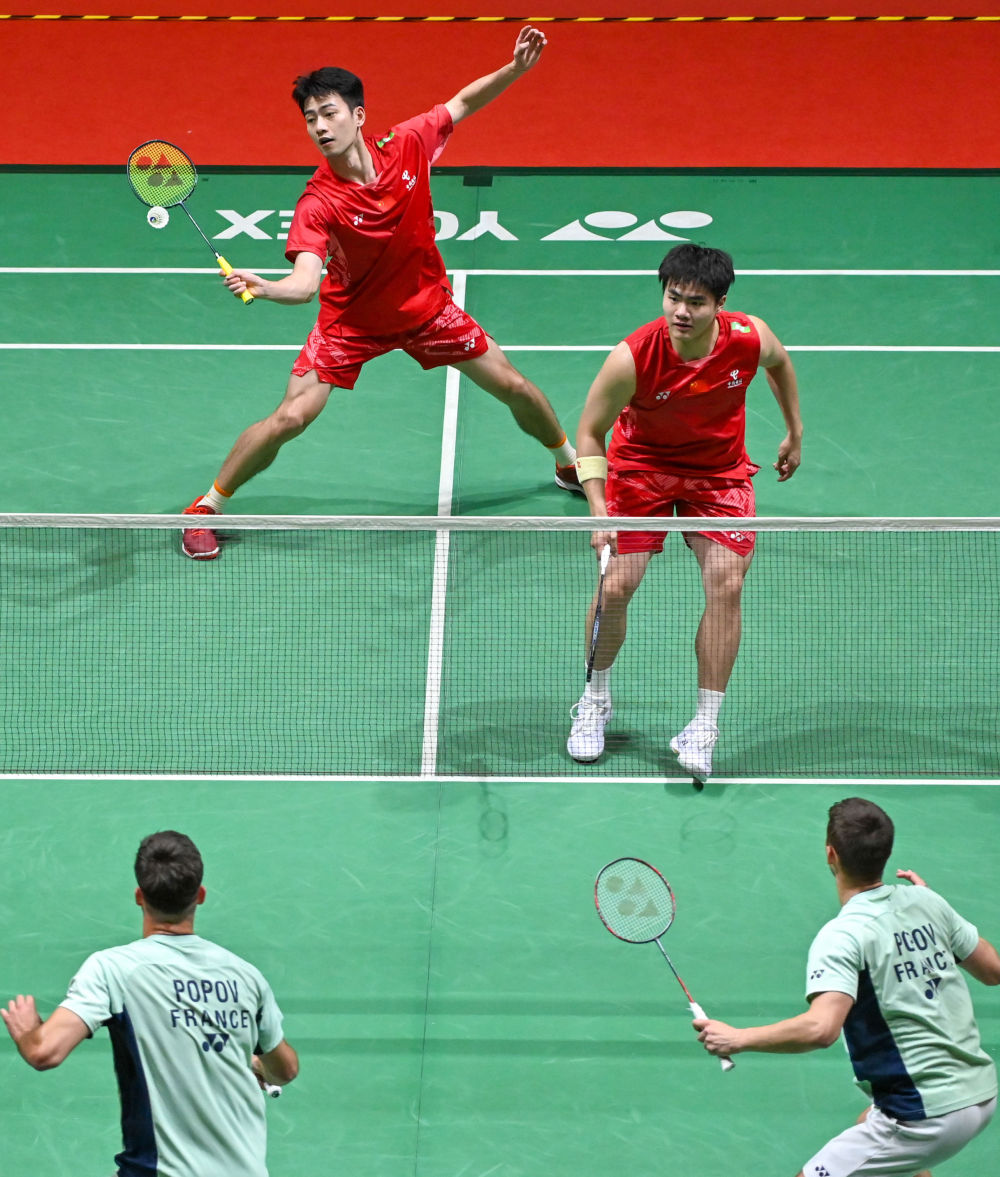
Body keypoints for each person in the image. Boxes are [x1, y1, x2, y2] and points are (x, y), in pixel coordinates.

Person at [181, 25, 581, 560]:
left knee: (515, 386)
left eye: (329, 113)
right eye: (310, 118)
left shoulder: (408, 144)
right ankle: (205, 508)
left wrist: (515, 69)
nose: (320, 127)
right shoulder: (317, 203)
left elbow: (462, 103)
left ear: (358, 115)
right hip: (352, 323)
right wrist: (269, 288)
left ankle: (568, 464)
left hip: (427, 309)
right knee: (290, 417)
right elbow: (305, 284)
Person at [566, 243, 803, 780]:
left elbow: (780, 363)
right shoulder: (633, 357)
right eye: (673, 297)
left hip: (718, 474)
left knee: (727, 584)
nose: (681, 311)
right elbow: (589, 432)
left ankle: (704, 725)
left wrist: (794, 430)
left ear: (720, 304)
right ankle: (595, 700)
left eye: (695, 302)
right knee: (616, 586)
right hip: (641, 468)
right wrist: (600, 510)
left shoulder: (749, 337)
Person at [695, 797, 1000, 1177]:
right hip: (980, 1094)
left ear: (831, 854)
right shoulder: (927, 901)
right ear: (887, 852)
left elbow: (821, 1029)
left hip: (925, 1116)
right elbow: (993, 970)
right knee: (869, 1124)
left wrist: (737, 1038)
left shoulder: (842, 936)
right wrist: (932, 910)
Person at [2, 830, 298, 1177]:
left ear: (139, 896)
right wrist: (258, 1065)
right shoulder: (246, 976)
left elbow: (44, 1052)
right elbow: (285, 1070)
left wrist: (28, 1031)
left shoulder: (113, 970)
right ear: (200, 895)